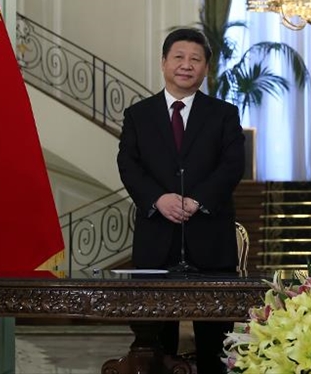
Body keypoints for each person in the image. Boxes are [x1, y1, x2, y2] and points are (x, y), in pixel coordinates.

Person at [117, 27, 245, 373]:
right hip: (156, 240)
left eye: (195, 59)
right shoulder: (138, 115)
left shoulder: (224, 114)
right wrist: (157, 199)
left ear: (206, 68)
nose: (186, 65)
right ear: (163, 62)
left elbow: (232, 165)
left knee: (215, 347)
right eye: (178, 57)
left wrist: (198, 200)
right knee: (155, 346)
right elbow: (128, 164)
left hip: (210, 241)